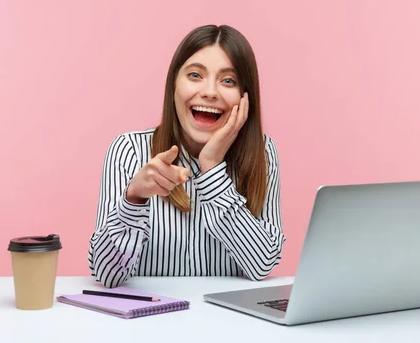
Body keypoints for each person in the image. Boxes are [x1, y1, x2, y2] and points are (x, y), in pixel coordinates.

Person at [88, 24, 285, 288]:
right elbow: (107, 275)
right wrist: (133, 199)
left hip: (230, 324)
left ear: (245, 97)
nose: (210, 92)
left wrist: (212, 168)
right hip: (151, 322)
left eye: (228, 80)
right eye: (195, 75)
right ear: (174, 86)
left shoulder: (263, 153)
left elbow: (261, 265)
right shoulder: (128, 151)